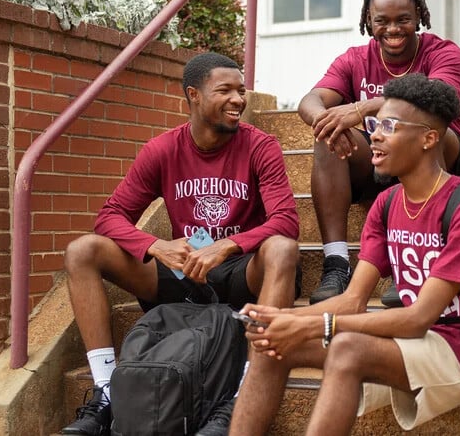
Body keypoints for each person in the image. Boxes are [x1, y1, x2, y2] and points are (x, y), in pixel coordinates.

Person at [229, 74, 460, 435]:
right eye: (375, 124)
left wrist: (309, 323)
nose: (375, 135)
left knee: (348, 348)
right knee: (272, 342)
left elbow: (417, 319)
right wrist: (279, 319)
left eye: (389, 126)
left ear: (429, 138)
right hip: (410, 343)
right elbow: (351, 301)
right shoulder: (387, 203)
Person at [60, 52, 301, 436]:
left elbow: (286, 222)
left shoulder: (260, 146)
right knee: (82, 250)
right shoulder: (162, 150)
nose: (239, 99)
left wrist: (227, 246)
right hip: (184, 271)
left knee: (283, 249)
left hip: (242, 272)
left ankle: (245, 393)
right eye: (225, 90)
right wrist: (156, 246)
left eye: (241, 90)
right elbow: (110, 216)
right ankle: (106, 394)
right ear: (194, 95)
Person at [297, 0, 460, 304]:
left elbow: (440, 96)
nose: (393, 29)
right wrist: (327, 122)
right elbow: (310, 100)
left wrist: (361, 107)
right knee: (329, 136)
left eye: (403, 20)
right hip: (379, 161)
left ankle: (408, 263)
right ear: (369, 20)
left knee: (411, 127)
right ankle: (336, 263)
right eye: (382, 20)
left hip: (441, 154)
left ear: (419, 16)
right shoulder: (354, 58)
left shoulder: (443, 52)